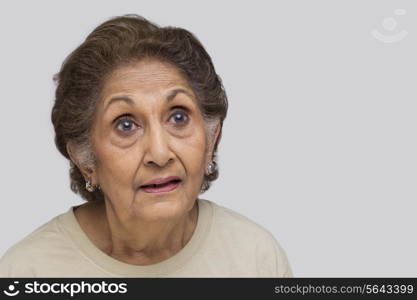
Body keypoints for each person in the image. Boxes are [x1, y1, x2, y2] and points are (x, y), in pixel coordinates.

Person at [0, 14, 293, 277]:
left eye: (178, 117)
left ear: (211, 137)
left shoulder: (255, 259)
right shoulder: (27, 272)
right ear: (85, 159)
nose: (160, 153)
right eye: (125, 125)